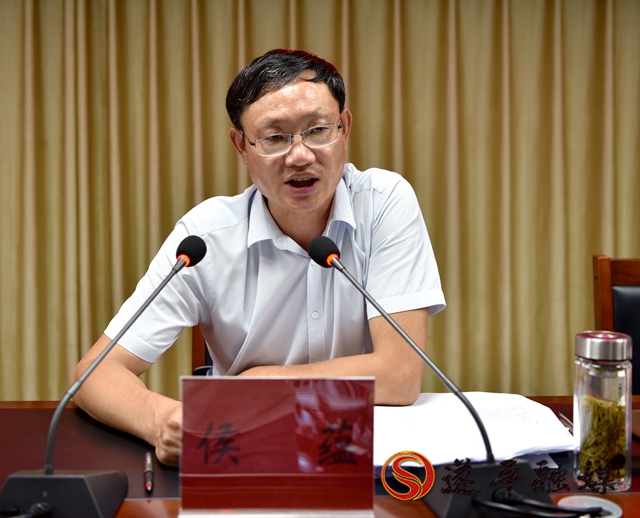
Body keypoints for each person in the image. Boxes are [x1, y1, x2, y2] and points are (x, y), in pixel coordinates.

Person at [72, 49, 445, 466]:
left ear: (345, 128)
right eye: (274, 137)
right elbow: (95, 373)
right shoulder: (206, 238)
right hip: (245, 457)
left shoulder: (383, 203)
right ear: (241, 146)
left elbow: (399, 375)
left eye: (318, 130)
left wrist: (262, 382)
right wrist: (160, 420)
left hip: (360, 457)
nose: (300, 155)